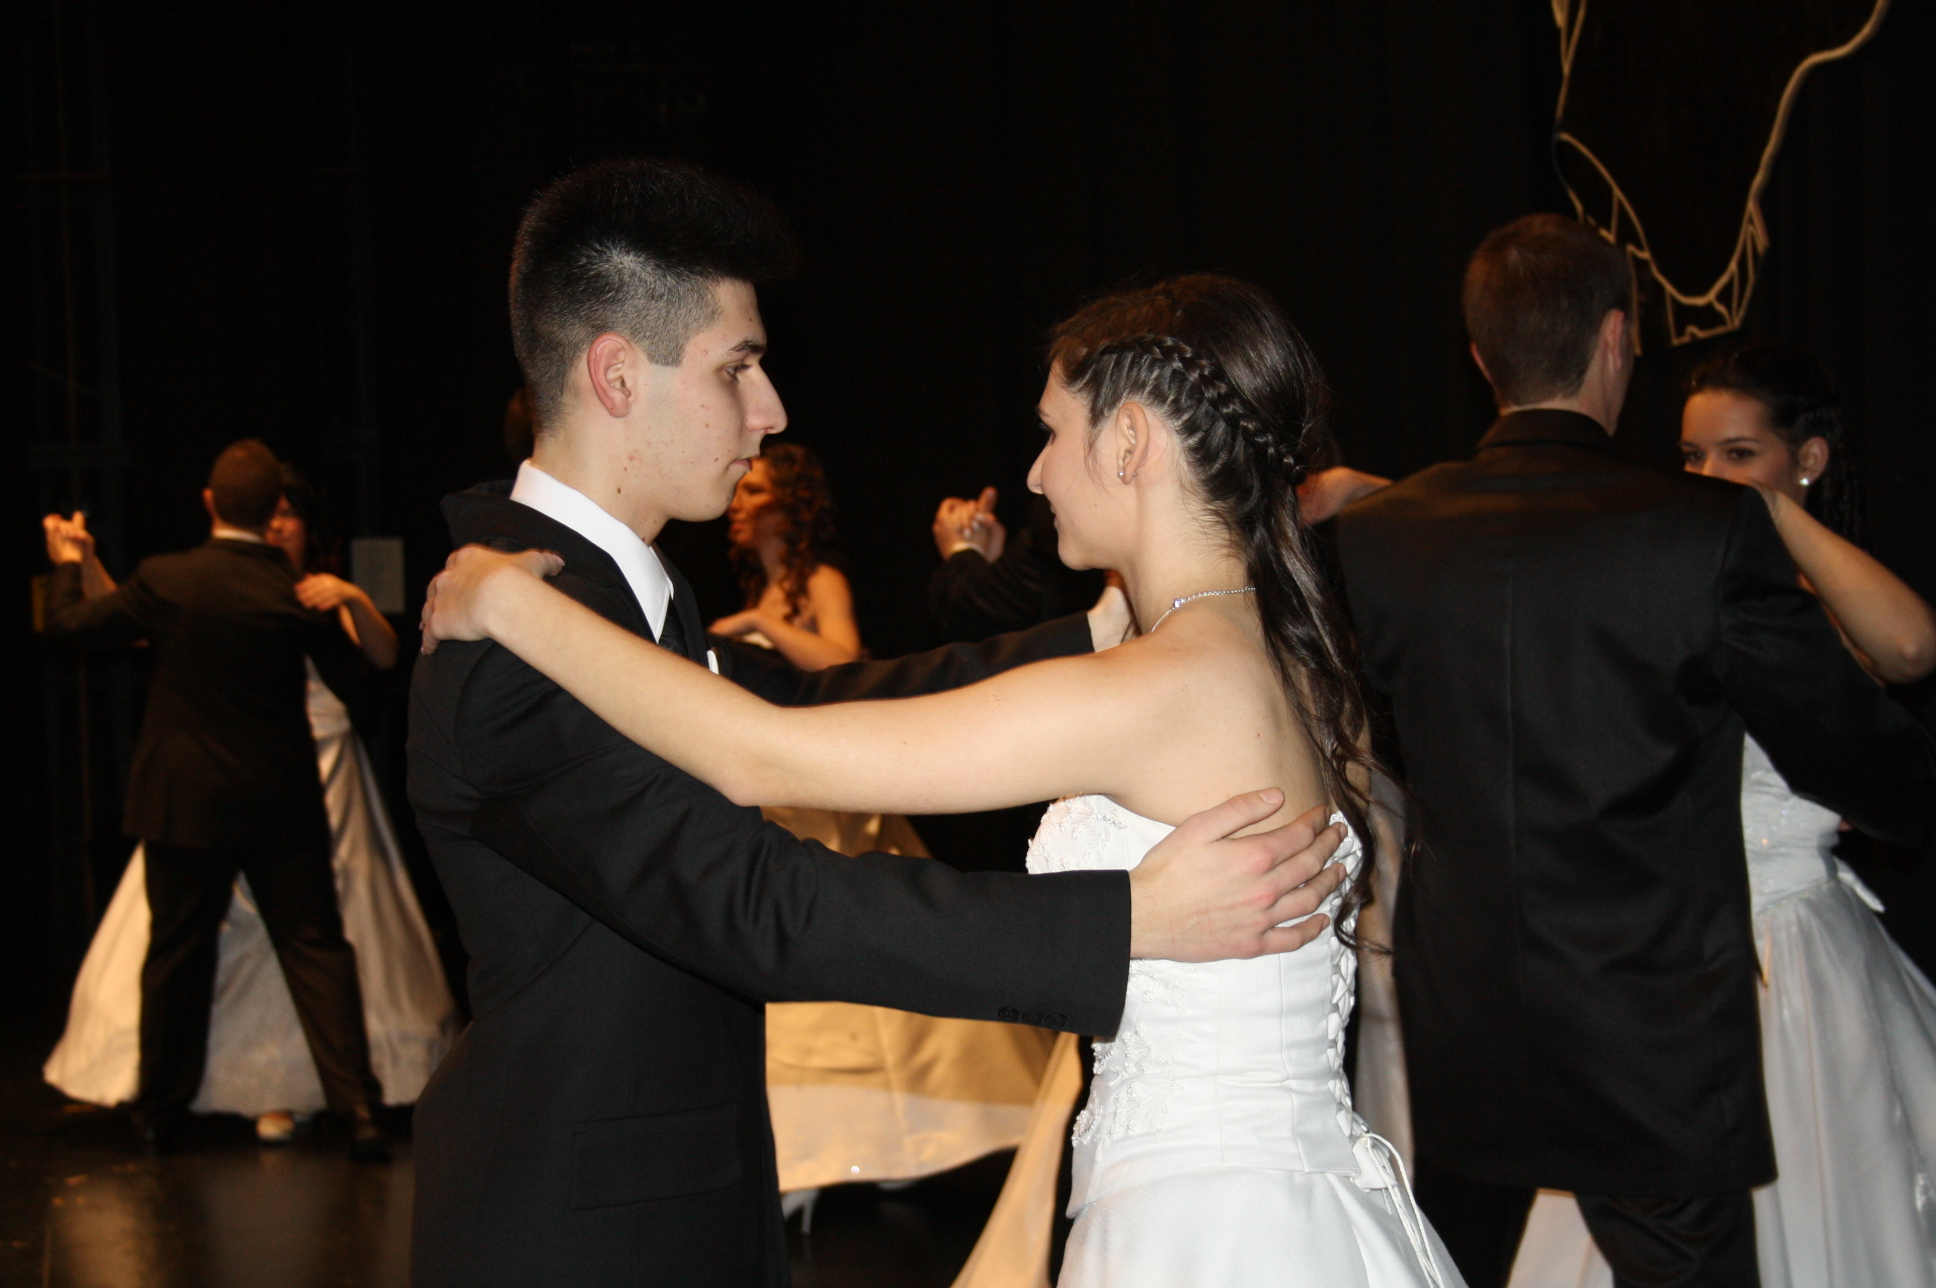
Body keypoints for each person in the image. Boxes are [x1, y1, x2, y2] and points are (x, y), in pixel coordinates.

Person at [404, 160, 1348, 1288]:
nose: (772, 410)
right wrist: (1123, 919)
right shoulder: (513, 647)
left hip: (681, 1201)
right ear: (615, 375)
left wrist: (1095, 633)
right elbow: (758, 900)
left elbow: (803, 709)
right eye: (738, 367)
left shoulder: (589, 603)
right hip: (579, 1232)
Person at [1333, 214, 1935, 1288]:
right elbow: (1854, 749)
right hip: (1652, 1029)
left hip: (1467, 1017)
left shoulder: (1383, 538)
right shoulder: (1699, 531)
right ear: (1617, 339)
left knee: (1454, 1267)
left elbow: (1375, 741)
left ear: (1481, 357)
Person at [1510, 343, 1936, 1288]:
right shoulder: (1663, 579)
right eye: (1693, 456)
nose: (1706, 477)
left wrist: (1773, 516)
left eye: (1739, 454)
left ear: (1806, 460)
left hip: (1801, 950)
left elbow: (1911, 648)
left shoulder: (1819, 601)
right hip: (1678, 955)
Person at [44, 468, 458, 1144]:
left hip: (201, 799)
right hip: (280, 795)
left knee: (184, 953)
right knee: (309, 948)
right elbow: (362, 686)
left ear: (210, 502)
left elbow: (77, 624)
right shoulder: (280, 593)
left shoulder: (179, 579)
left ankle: (162, 1112)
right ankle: (354, 1108)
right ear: (266, 513)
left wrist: (68, 562)